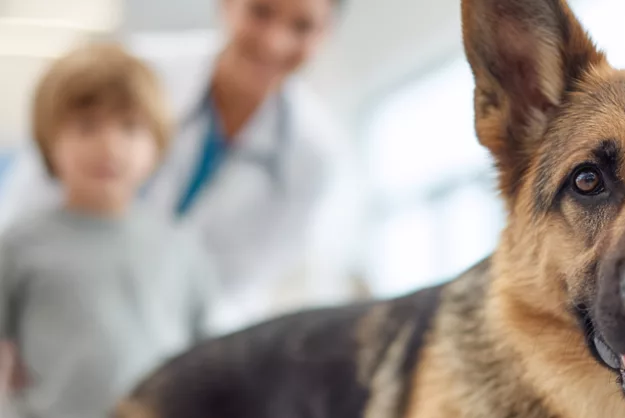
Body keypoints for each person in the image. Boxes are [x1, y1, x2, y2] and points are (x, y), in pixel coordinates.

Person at [0, 42, 216, 418]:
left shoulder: (180, 248)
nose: (108, 145)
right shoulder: (20, 245)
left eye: (128, 128)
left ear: (156, 144)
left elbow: (206, 363)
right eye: (86, 126)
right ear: (50, 141)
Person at [0, 0, 366, 335]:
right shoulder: (136, 73)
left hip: (178, 341)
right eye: (260, 12)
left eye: (302, 27)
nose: (275, 42)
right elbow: (35, 193)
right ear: (227, 5)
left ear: (326, 33)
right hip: (59, 308)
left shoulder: (314, 158)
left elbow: (239, 288)